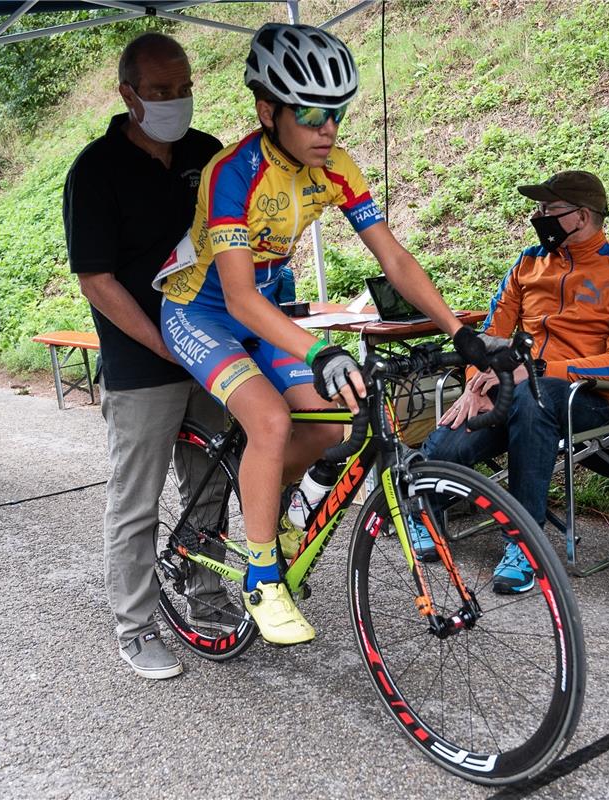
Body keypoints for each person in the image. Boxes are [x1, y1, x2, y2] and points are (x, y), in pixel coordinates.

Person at [156, 22, 503, 648]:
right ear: (268, 110)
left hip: (264, 306)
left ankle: (267, 498)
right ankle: (262, 579)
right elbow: (234, 296)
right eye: (313, 113)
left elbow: (393, 258)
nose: (328, 129)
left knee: (339, 420)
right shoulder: (231, 173)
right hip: (201, 309)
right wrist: (318, 348)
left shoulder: (335, 166)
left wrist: (461, 331)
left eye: (337, 113)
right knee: (270, 421)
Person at [63, 33, 227, 680]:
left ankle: (205, 594)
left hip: (211, 346)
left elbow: (227, 243)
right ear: (126, 93)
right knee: (135, 499)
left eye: (183, 87)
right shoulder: (95, 169)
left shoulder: (206, 153)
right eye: (159, 92)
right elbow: (96, 280)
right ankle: (134, 627)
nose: (174, 101)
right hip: (141, 359)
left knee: (211, 481)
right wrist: (167, 346)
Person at [415, 170, 609, 593]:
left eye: (547, 210)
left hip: (586, 399)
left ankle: (525, 542)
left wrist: (535, 371)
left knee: (534, 395)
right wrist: (476, 384)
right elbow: (488, 337)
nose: (537, 216)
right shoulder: (527, 263)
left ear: (580, 216)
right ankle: (424, 509)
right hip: (512, 392)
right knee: (454, 438)